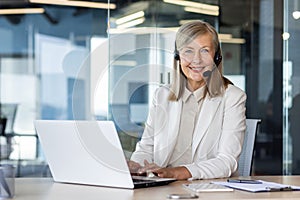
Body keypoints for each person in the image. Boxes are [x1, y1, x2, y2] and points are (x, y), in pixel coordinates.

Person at [128, 20, 247, 180]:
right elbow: (146, 148)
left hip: (207, 189)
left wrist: (176, 172)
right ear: (178, 56)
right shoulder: (162, 95)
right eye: (188, 51)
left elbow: (226, 162)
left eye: (205, 51)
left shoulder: (232, 97)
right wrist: (137, 167)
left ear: (216, 57)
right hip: (163, 187)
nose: (196, 60)